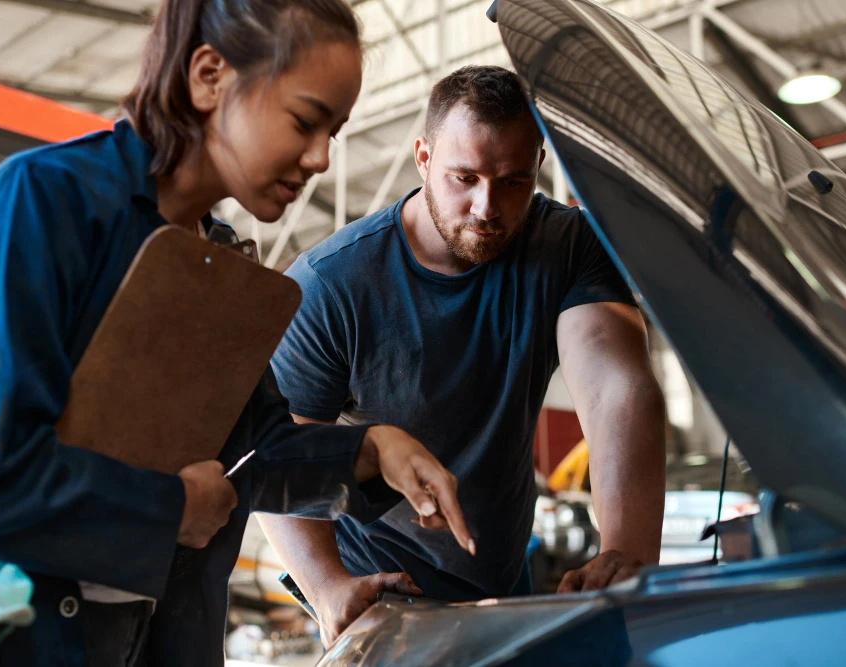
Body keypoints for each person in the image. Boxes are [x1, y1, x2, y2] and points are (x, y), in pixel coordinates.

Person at [0, 2, 474, 666]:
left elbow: (247, 452)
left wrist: (369, 451)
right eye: (304, 121)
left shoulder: (224, 261)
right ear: (209, 76)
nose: (321, 158)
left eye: (336, 132)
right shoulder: (39, 207)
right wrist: (168, 507)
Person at [262, 65, 667, 647]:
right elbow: (278, 448)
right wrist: (326, 586)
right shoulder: (333, 286)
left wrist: (625, 550)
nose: (486, 206)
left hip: (504, 573)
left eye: (511, 182)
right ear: (423, 156)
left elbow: (616, 390)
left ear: (538, 167)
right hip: (382, 586)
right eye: (464, 177)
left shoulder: (567, 246)